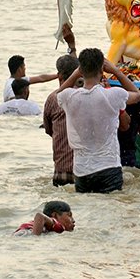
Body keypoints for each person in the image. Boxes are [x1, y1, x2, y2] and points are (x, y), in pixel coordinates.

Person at [56, 48, 140, 193]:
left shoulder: (69, 97)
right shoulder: (113, 95)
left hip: (82, 170)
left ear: (81, 70)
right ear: (102, 71)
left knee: (85, 212)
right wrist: (117, 72)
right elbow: (137, 95)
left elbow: (56, 94)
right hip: (109, 167)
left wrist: (76, 73)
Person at [43, 54, 80, 187]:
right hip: (87, 170)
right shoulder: (87, 95)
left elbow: (49, 130)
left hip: (62, 170)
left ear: (59, 75)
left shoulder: (53, 99)